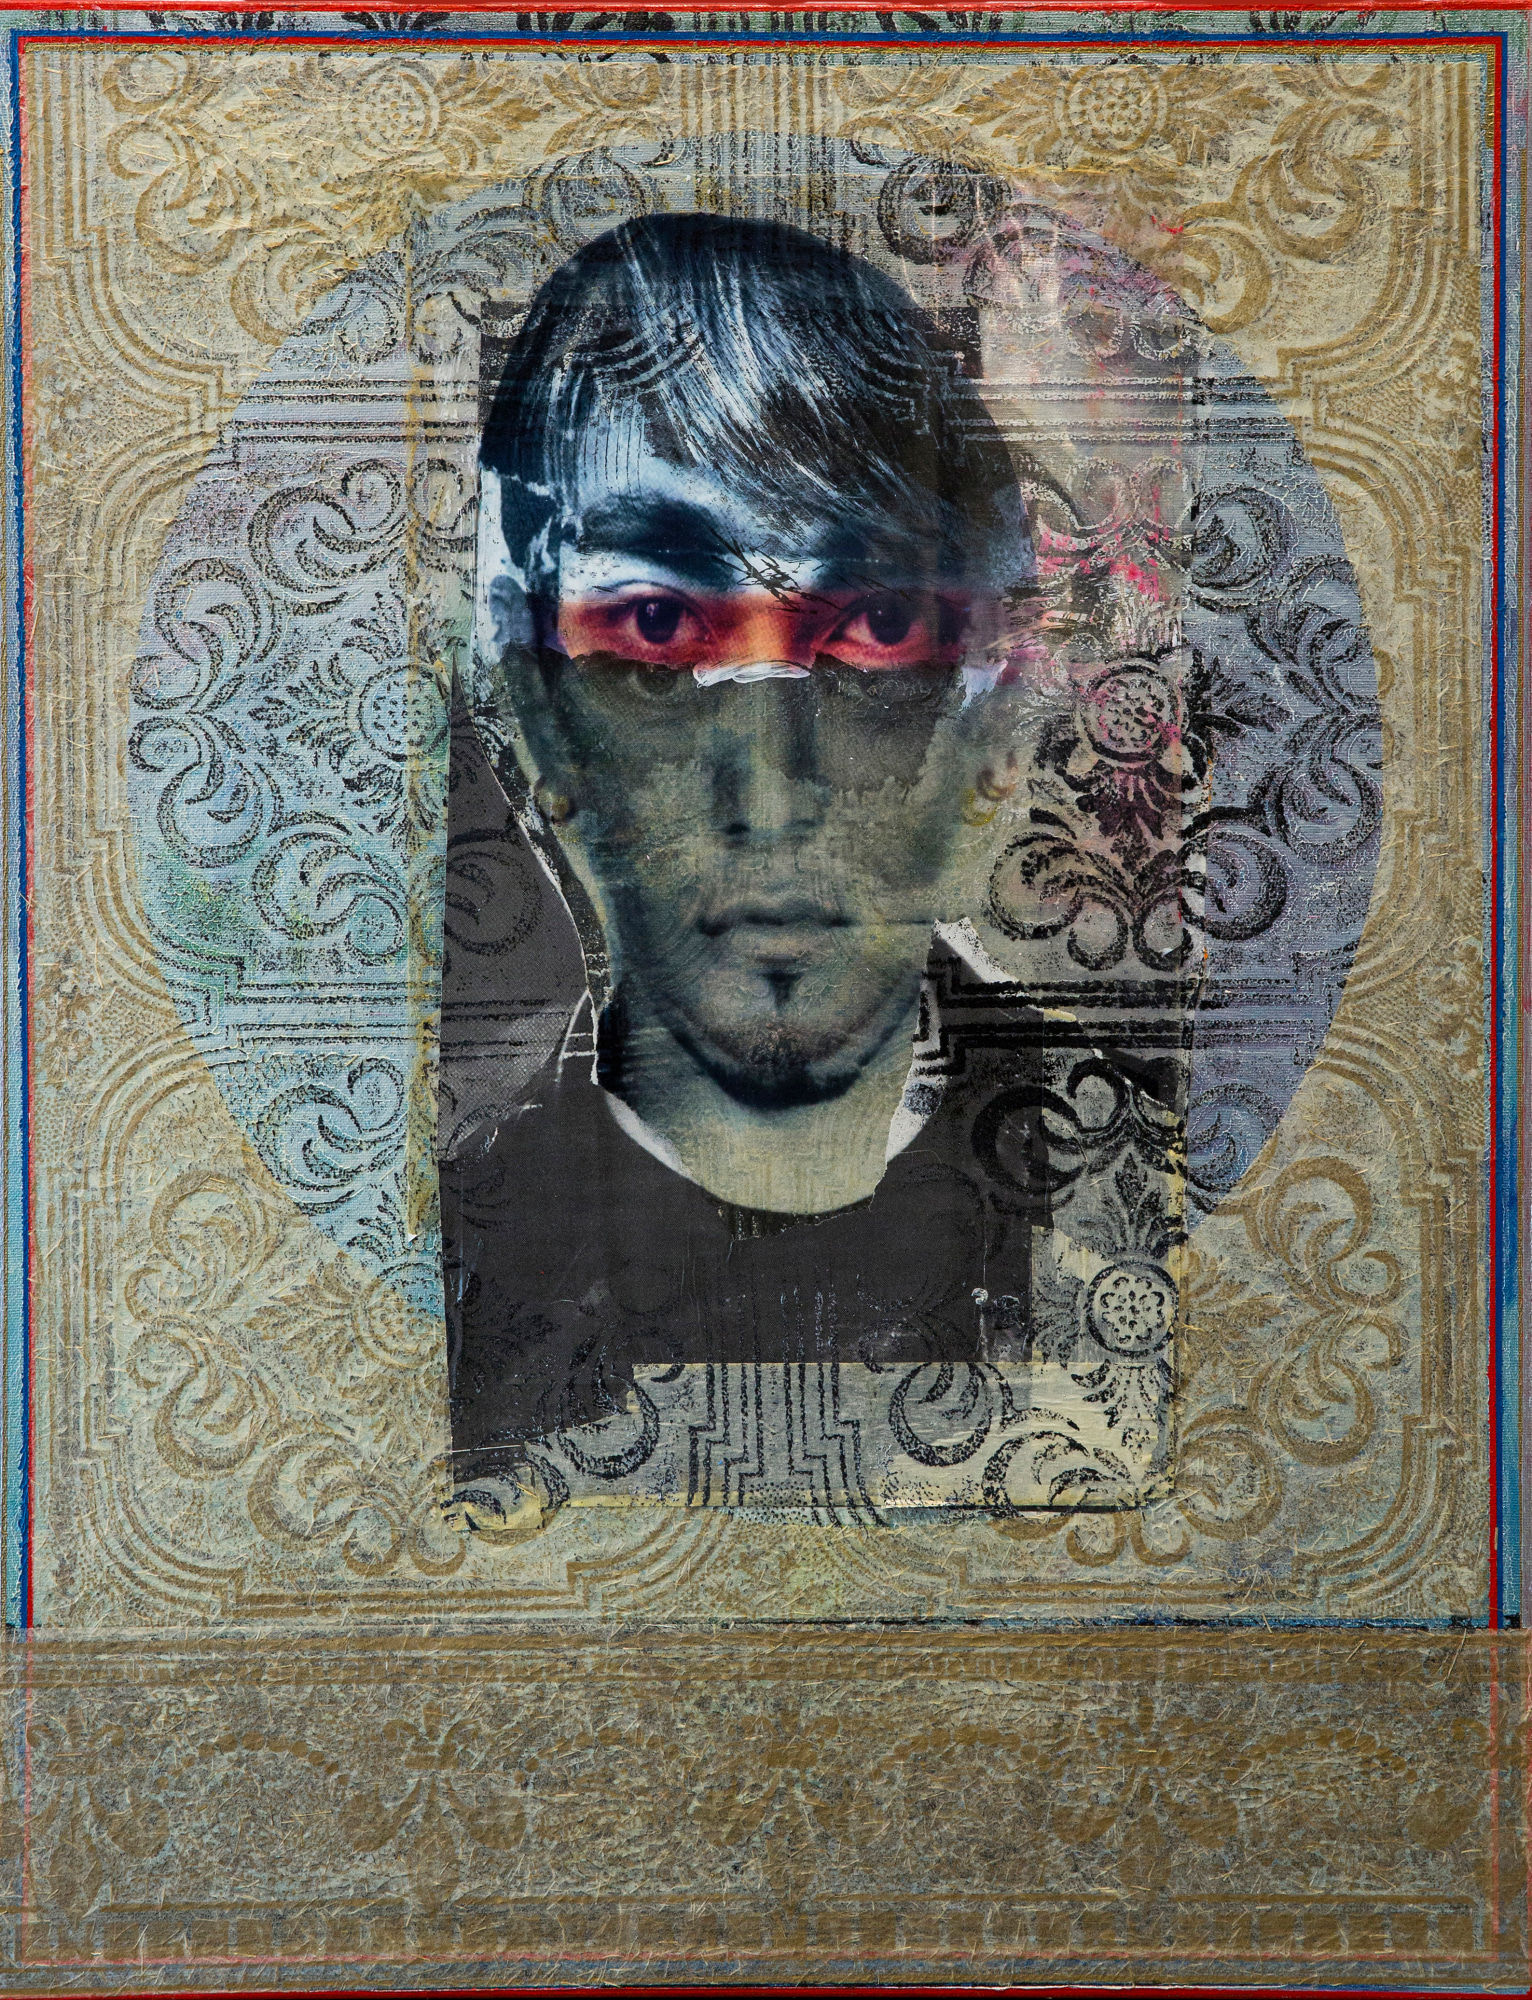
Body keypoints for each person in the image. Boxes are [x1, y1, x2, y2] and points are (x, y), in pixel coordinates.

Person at [443, 212, 1061, 1486]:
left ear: (996, 723)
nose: (770, 793)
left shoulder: (1148, 1197)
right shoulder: (448, 1260)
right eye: (656, 623)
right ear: (536, 724)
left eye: (877, 623)